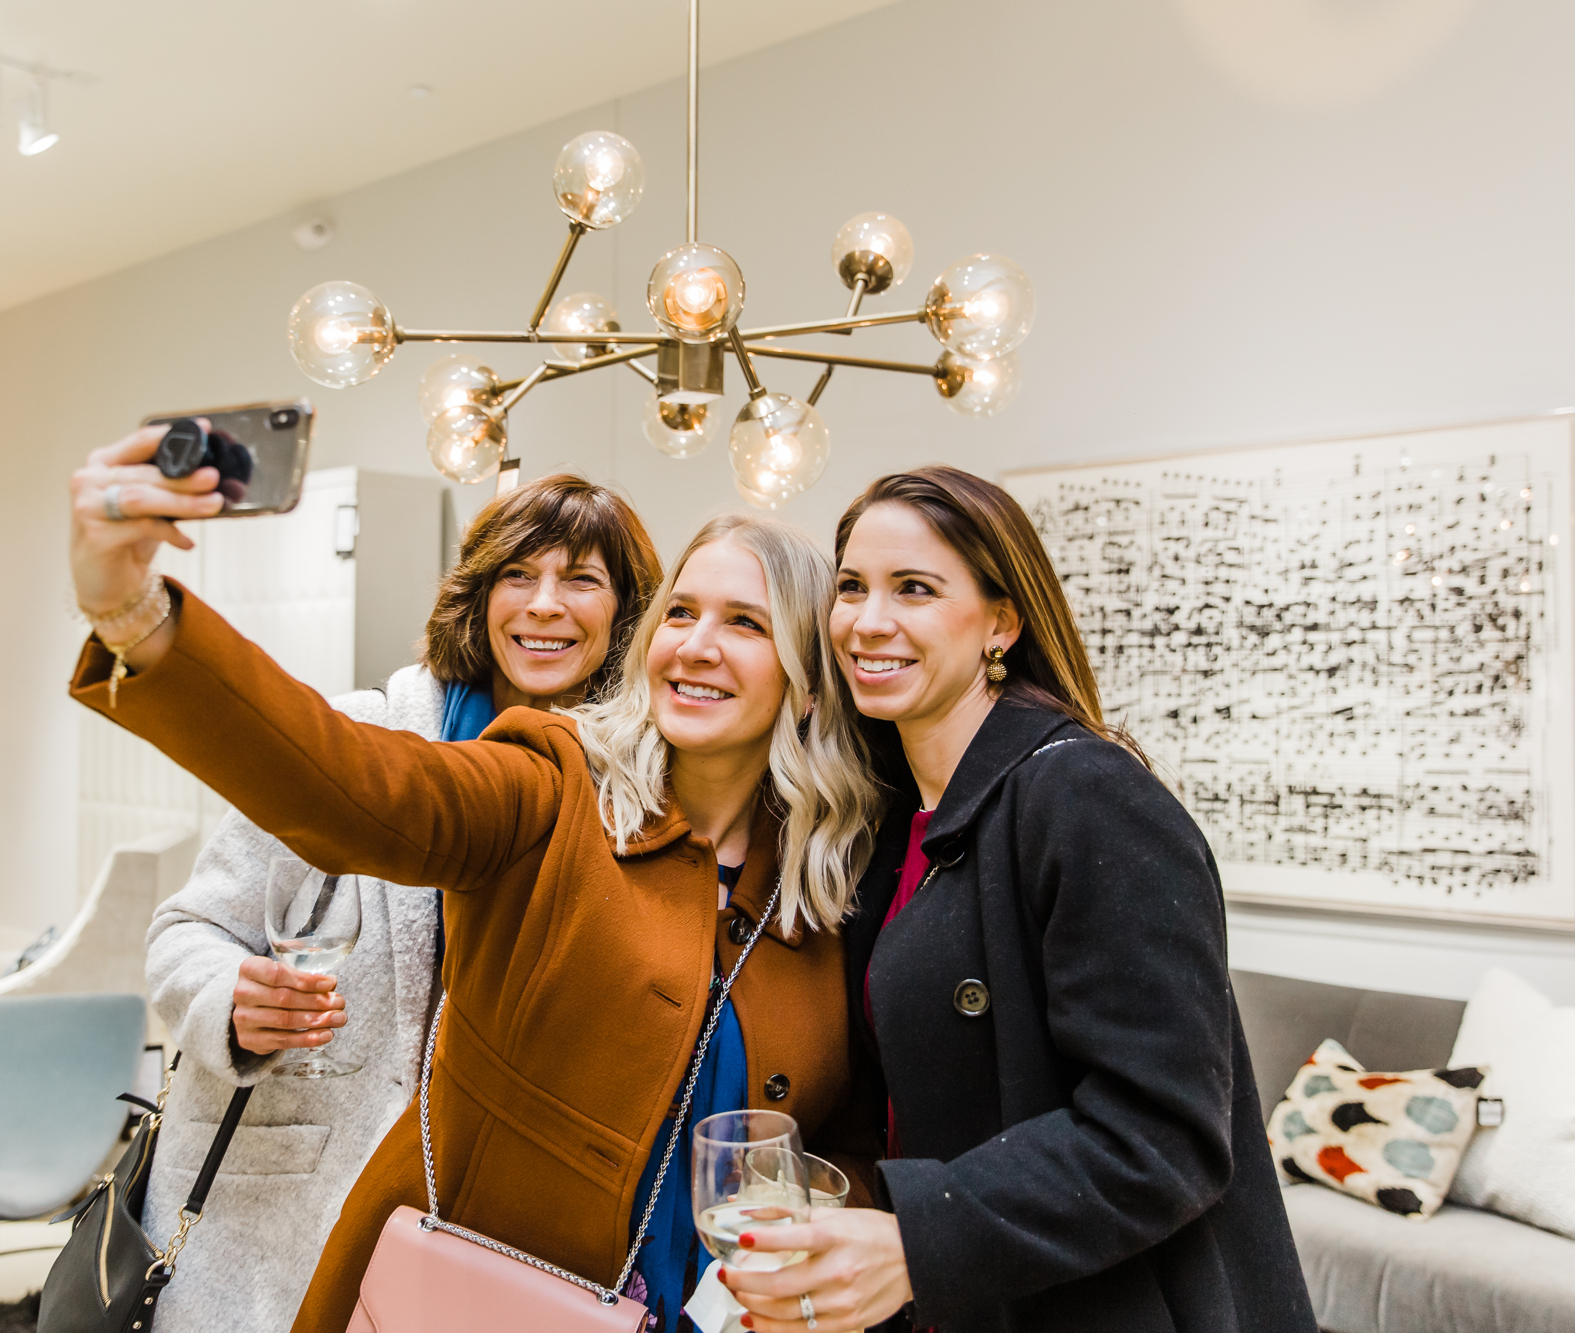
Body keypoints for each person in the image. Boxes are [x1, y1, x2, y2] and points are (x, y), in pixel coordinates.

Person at [67, 423, 882, 1333]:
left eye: (745, 623)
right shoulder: (551, 777)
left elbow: (846, 1130)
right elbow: (349, 783)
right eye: (683, 614)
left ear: (809, 680)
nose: (695, 644)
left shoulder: (826, 881)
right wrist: (136, 615)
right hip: (461, 1292)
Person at [720, 466, 1314, 1333]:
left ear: (1001, 620)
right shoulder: (893, 825)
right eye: (851, 587)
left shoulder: (1087, 796)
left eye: (913, 588)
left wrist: (917, 1240)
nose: (867, 621)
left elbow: (1162, 1139)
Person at [108, 466, 661, 1330]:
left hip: (475, 1229)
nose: (544, 604)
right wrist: (231, 1002)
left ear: (627, 616)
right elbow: (188, 930)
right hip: (277, 1217)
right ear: (476, 598)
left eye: (581, 579)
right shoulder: (357, 739)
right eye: (518, 574)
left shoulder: (636, 802)